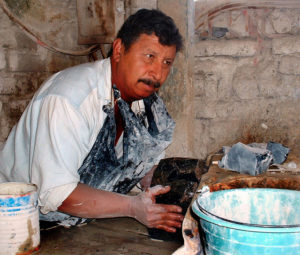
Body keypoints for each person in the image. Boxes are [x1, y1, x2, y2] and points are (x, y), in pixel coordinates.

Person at [0, 9, 184, 232]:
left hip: (81, 219)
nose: (157, 73)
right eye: (149, 57)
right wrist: (134, 207)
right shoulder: (69, 100)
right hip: (20, 221)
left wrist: (157, 184)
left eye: (166, 62)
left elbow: (145, 162)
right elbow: (58, 193)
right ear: (118, 50)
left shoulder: (146, 104)